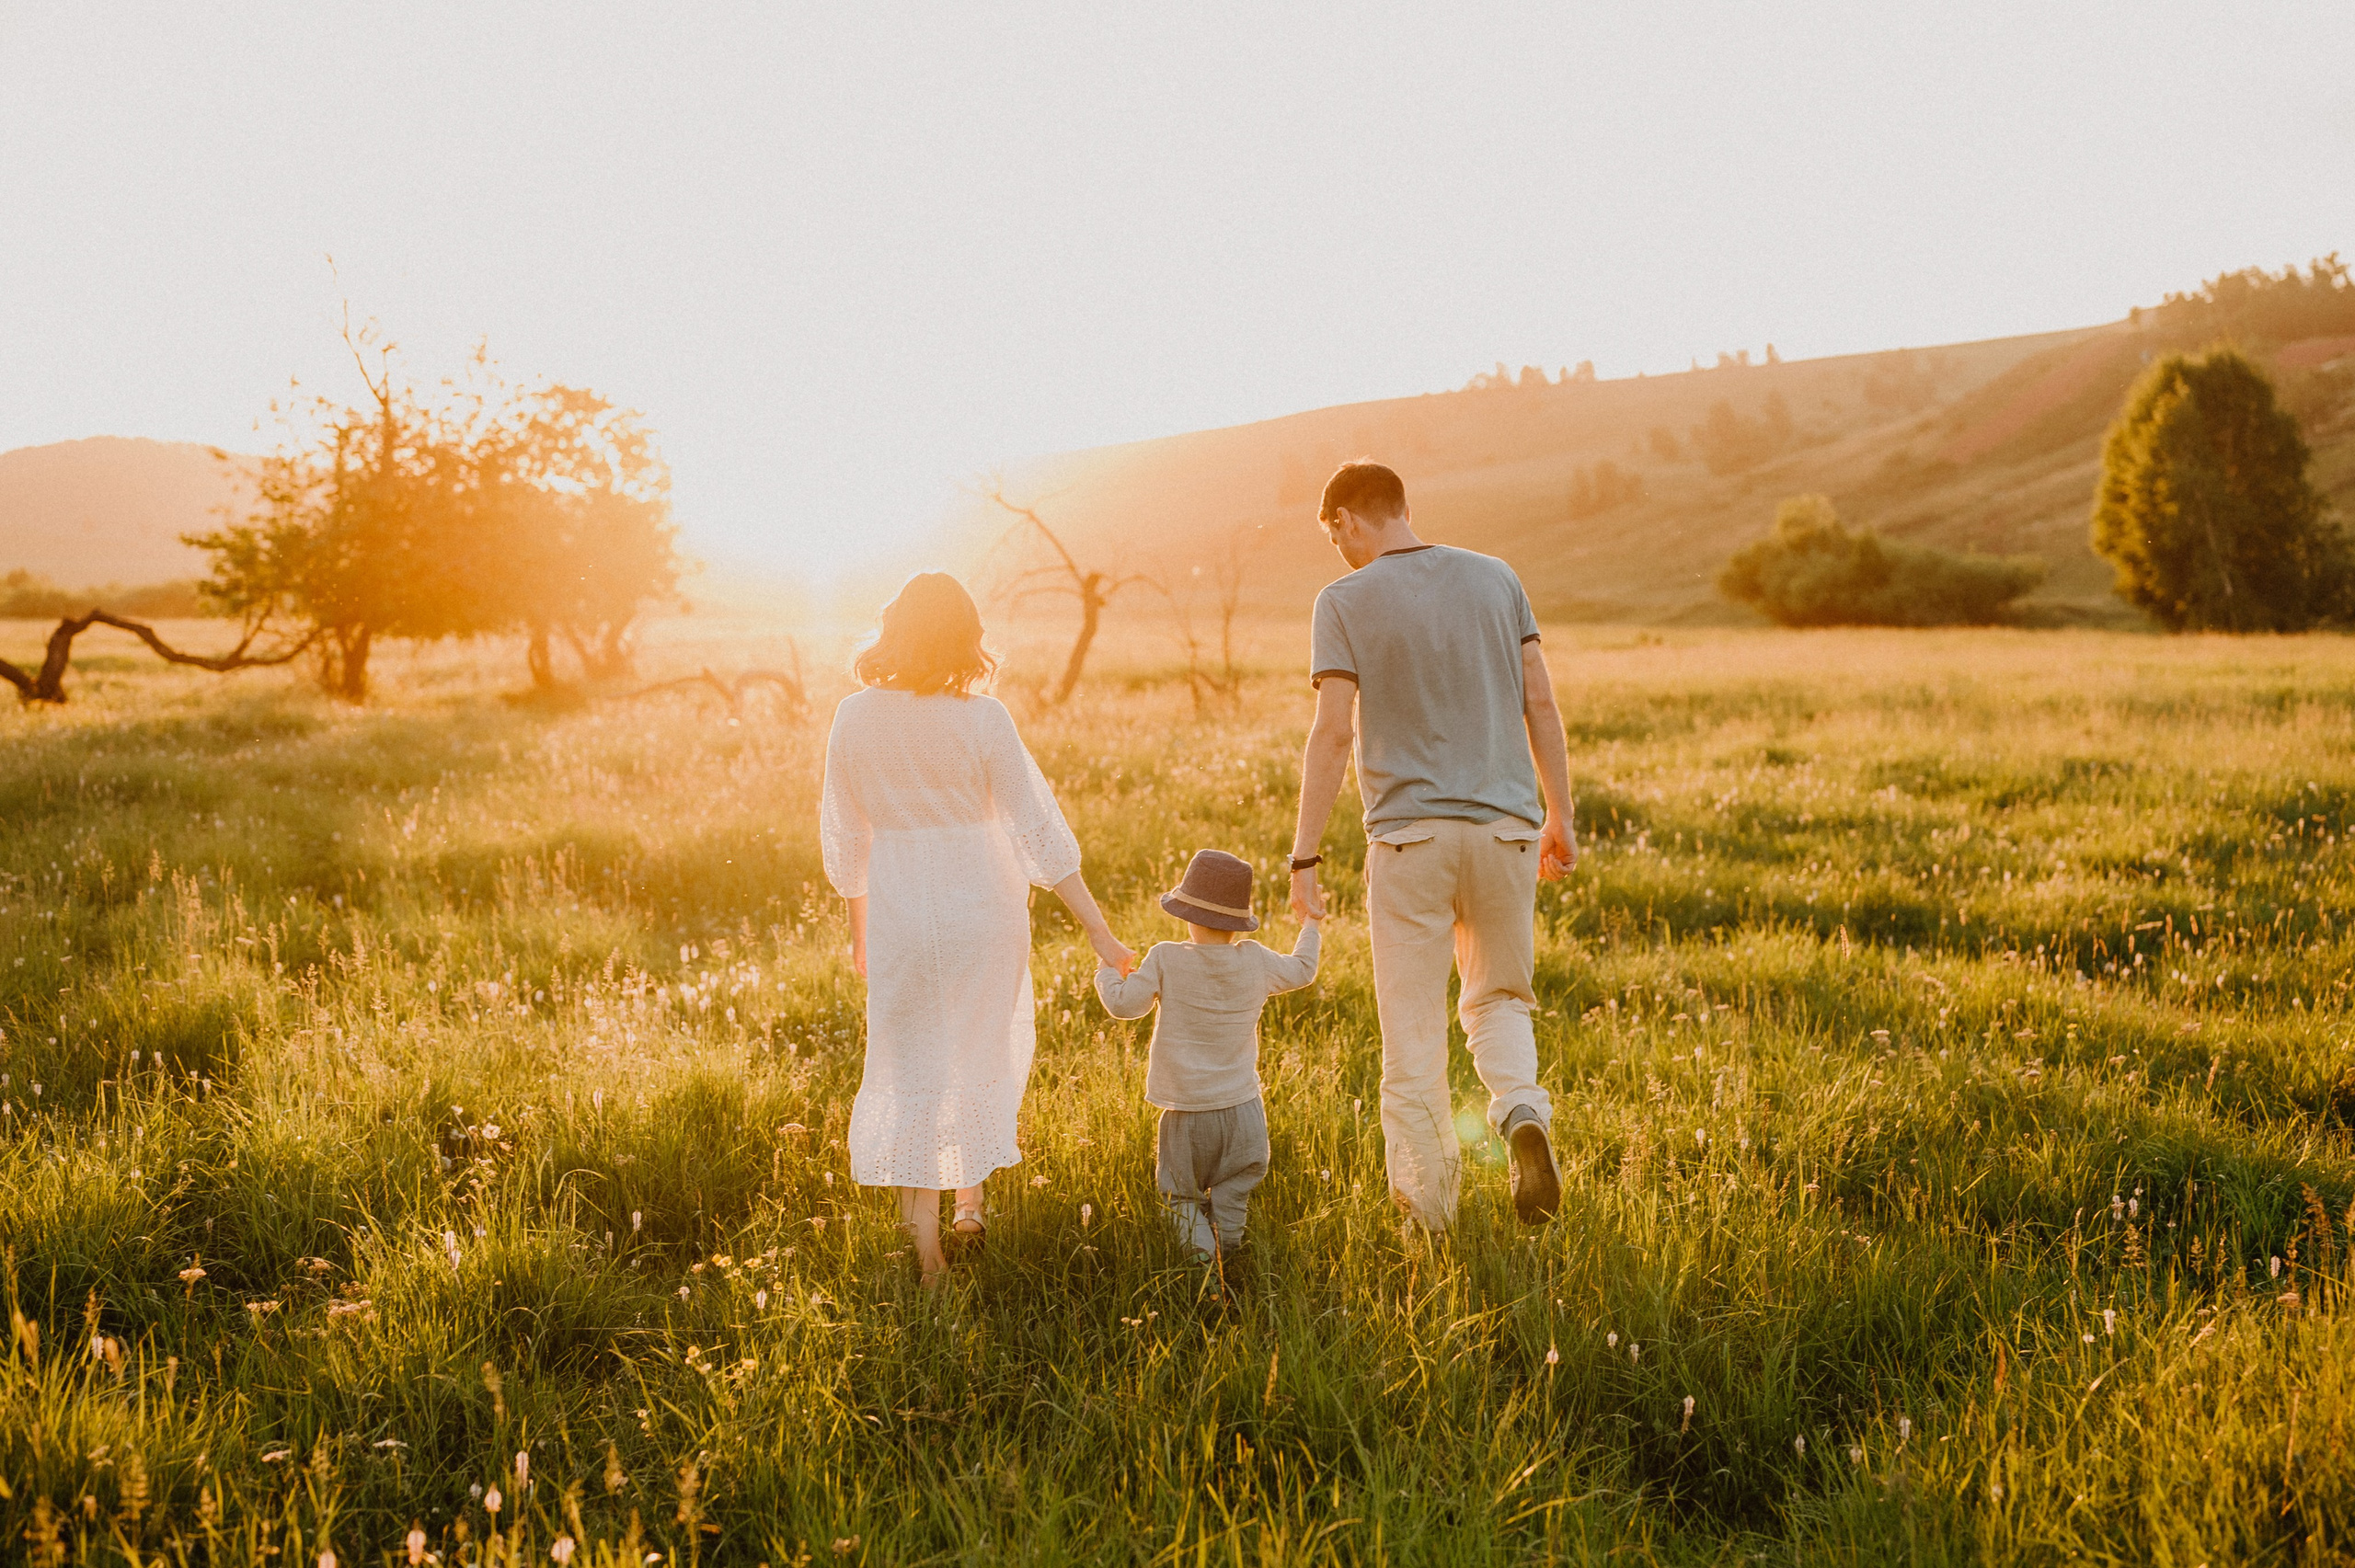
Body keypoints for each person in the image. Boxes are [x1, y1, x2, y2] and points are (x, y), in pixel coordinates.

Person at [820, 572, 1135, 1287]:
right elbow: (1039, 835)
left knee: (913, 1064)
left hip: (903, 905)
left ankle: (929, 1253)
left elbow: (846, 839)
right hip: (984, 909)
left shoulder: (853, 716)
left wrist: (859, 930)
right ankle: (971, 1204)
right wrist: (1099, 931)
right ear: (966, 636)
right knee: (974, 1049)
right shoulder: (984, 718)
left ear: (893, 627)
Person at [1286, 462, 1577, 1231]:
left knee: (1412, 1034)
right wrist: (1561, 814)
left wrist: (1304, 856)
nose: (1337, 551)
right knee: (1499, 999)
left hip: (1410, 841)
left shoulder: (1342, 601)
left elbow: (1333, 730)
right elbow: (1540, 700)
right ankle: (1520, 1110)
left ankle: (1430, 1219)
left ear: (1347, 518)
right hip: (1507, 832)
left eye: (1334, 535)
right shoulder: (1497, 578)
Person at [1094, 849, 1320, 1270]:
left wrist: (1107, 968)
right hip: (1244, 1112)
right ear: (1239, 920)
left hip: (1186, 1114)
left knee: (1181, 1197)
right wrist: (1311, 922)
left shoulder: (1166, 957)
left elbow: (1125, 1006)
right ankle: (1228, 1252)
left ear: (1186, 915)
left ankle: (1201, 1264)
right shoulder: (1255, 959)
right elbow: (1304, 969)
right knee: (1235, 1188)